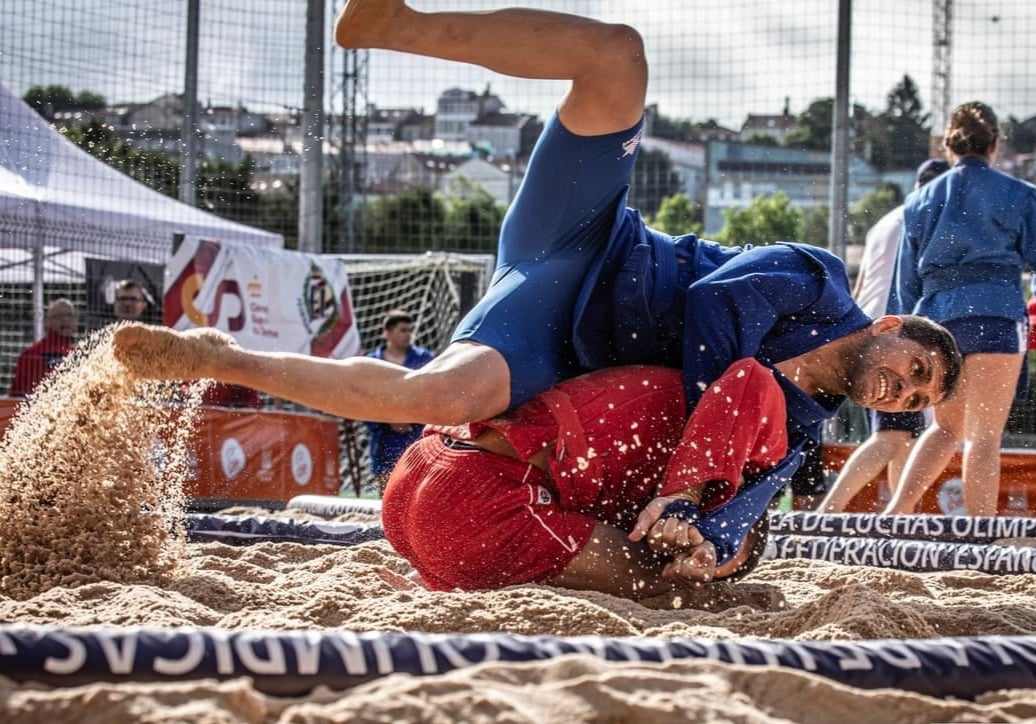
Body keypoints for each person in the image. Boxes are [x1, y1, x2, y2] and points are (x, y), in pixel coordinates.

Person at [112, 2, 961, 511]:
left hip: (564, 346)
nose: (905, 390)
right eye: (916, 367)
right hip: (588, 241)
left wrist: (715, 533)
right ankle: (397, 22)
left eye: (918, 399)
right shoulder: (818, 278)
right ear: (889, 323)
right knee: (617, 54)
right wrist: (705, 439)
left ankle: (219, 357)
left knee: (432, 396)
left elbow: (753, 490)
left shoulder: (807, 418)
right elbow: (714, 306)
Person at [384, 360, 787, 598]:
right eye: (714, 547)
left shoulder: (684, 404)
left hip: (421, 469)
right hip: (477, 499)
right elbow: (753, 375)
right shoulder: (733, 449)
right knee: (658, 582)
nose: (698, 556)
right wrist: (686, 496)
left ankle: (435, 577)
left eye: (711, 565)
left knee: (659, 572)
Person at [885, 101, 1036, 517]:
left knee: (944, 428)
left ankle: (894, 515)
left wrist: (902, 336)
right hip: (996, 312)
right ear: (995, 144)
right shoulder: (1020, 195)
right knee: (984, 437)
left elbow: (905, 284)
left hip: (938, 318)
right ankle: (980, 536)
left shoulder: (920, 200)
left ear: (948, 145)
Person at [819, 159, 950, 513]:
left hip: (869, 328)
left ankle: (899, 519)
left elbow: (862, 281)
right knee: (890, 436)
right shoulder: (930, 216)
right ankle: (827, 512)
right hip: (898, 339)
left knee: (902, 437)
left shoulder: (883, 223)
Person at [364, 310, 435, 482]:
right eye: (403, 330)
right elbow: (364, 398)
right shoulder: (371, 361)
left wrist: (410, 417)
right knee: (386, 487)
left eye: (409, 330)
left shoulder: (424, 358)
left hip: (417, 434)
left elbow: (433, 394)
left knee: (418, 483)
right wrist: (387, 419)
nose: (408, 335)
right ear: (387, 332)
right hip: (384, 437)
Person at [9, 299, 78, 397]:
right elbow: (17, 394)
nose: (66, 320)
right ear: (47, 321)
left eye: (70, 315)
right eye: (59, 316)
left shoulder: (80, 353)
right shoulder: (31, 354)